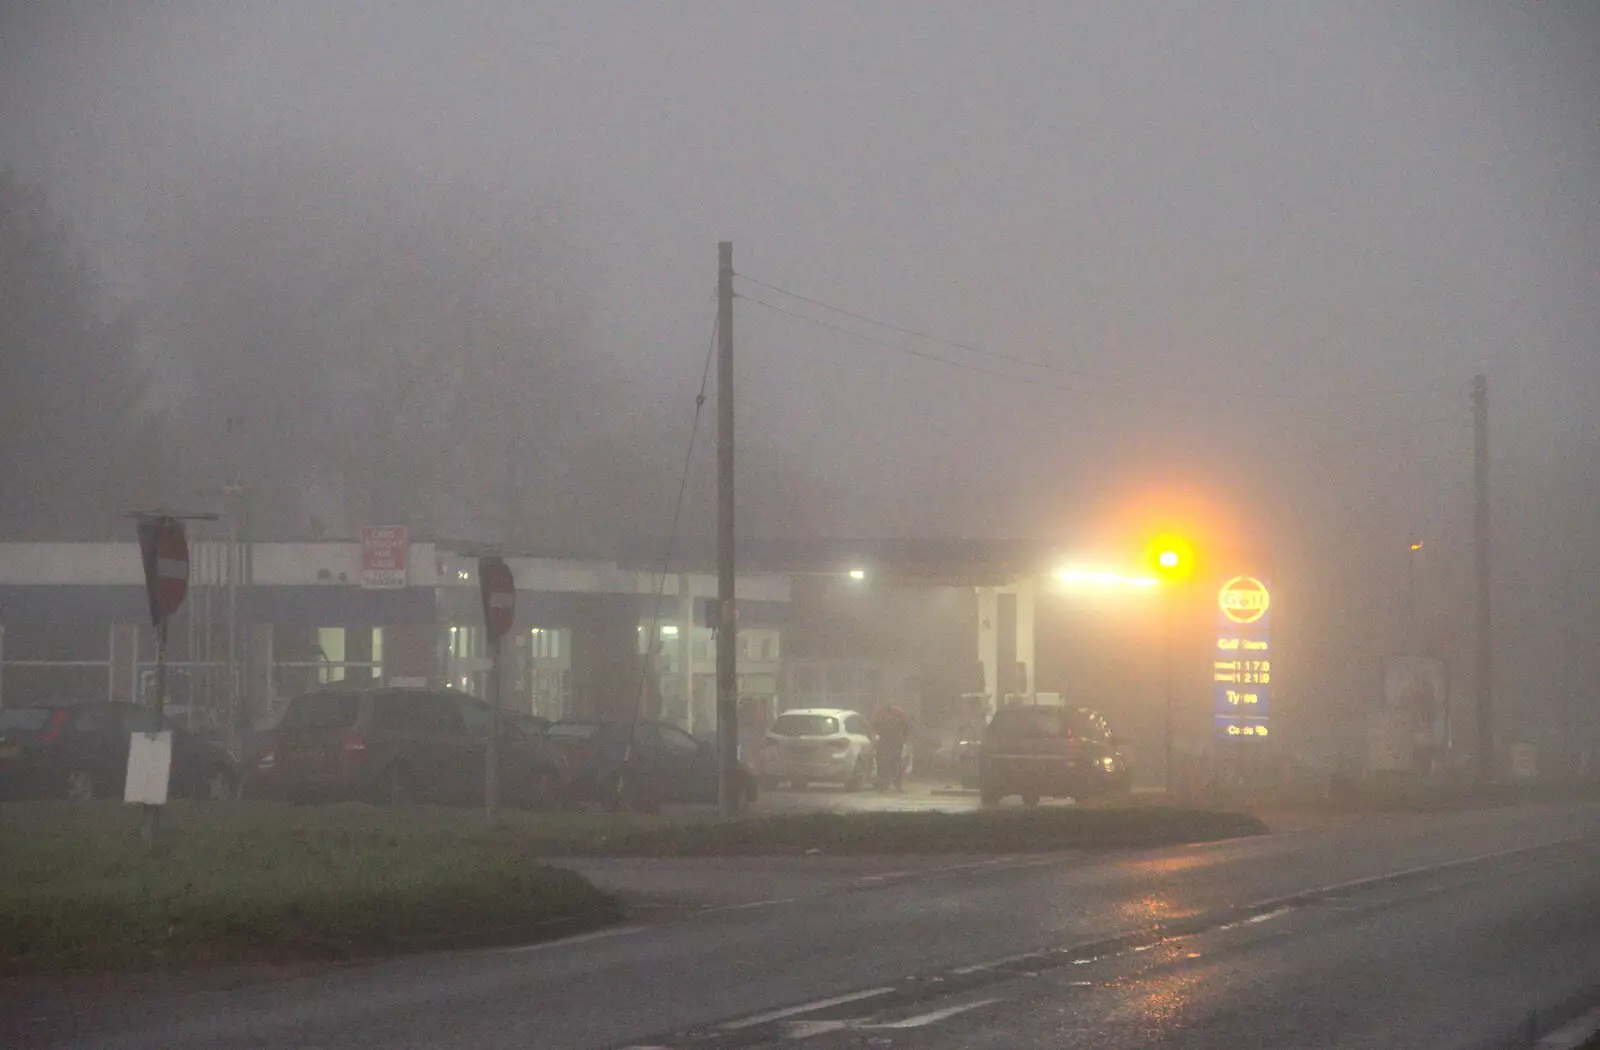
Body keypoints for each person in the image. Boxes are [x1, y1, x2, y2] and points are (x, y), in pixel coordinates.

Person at [871, 702, 912, 792]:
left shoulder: (881, 714)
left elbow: (874, 725)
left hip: (889, 741)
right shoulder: (897, 714)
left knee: (889, 763)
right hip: (890, 741)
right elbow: (906, 726)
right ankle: (889, 785)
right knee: (889, 763)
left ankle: (887, 785)